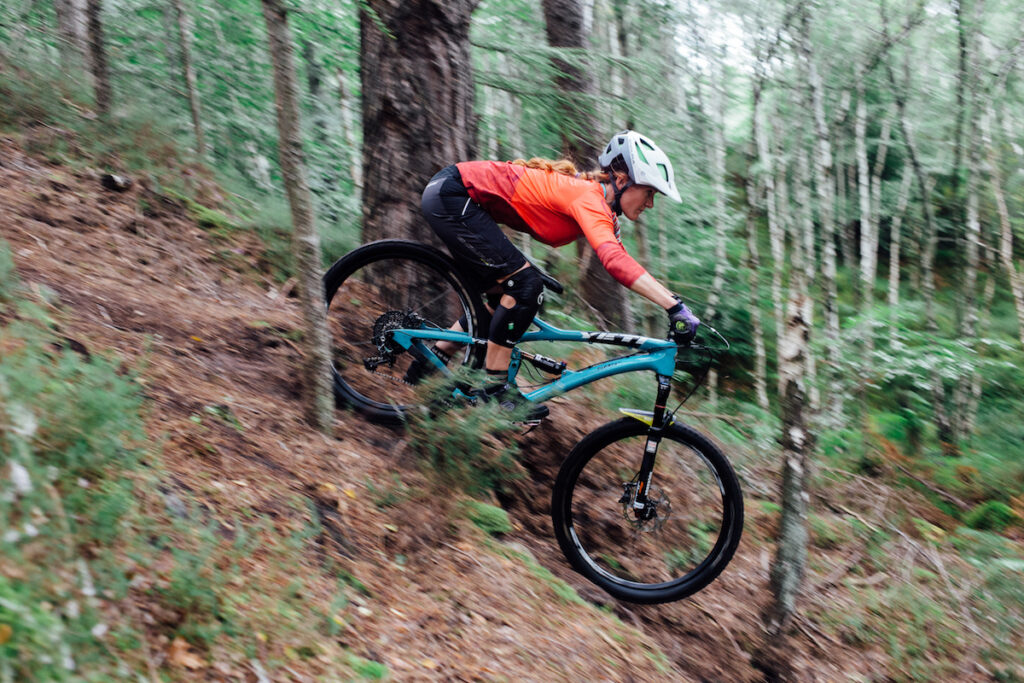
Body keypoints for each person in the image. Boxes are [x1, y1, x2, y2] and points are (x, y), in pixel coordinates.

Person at [415, 130, 700, 419]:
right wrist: (674, 307)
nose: (650, 203)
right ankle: (495, 390)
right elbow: (614, 261)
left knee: (504, 299)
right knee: (525, 287)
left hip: (453, 195)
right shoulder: (590, 198)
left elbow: (621, 260)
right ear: (623, 180)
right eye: (649, 192)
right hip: (454, 195)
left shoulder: (598, 205)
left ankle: (423, 372)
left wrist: (672, 301)